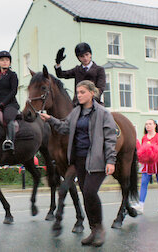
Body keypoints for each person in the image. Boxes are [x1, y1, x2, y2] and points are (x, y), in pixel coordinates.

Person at [39, 80, 116, 247]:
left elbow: (110, 138)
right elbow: (64, 127)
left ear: (91, 93)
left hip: (97, 159)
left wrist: (111, 160)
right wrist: (50, 119)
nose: (79, 95)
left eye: (82, 92)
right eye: (77, 92)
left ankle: (100, 229)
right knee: (86, 196)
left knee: (89, 192)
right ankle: (93, 230)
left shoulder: (103, 113)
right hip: (78, 160)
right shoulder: (75, 113)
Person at [133, 119, 158, 214]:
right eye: (146, 124)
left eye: (150, 124)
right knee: (143, 183)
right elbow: (142, 150)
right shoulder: (144, 138)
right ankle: (141, 205)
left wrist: (153, 153)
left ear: (155, 125)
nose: (148, 126)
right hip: (148, 163)